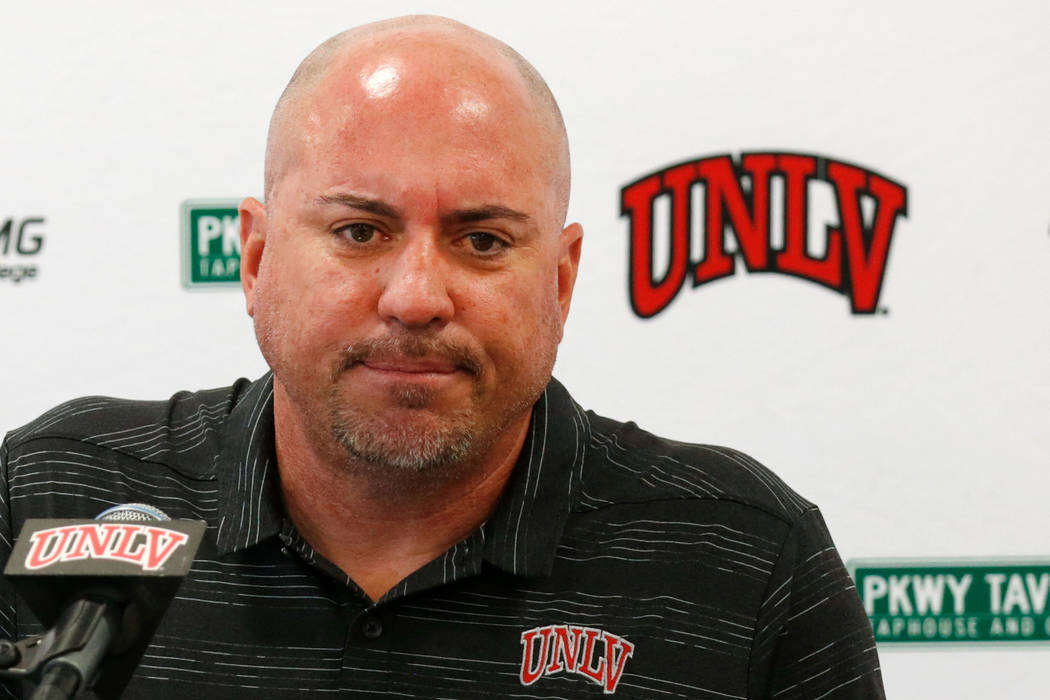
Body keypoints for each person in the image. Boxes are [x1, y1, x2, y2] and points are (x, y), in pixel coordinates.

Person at [0, 15, 884, 699]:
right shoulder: (52, 496)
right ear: (258, 259)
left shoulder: (741, 560)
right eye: (358, 231)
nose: (417, 295)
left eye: (484, 240)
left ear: (563, 280)